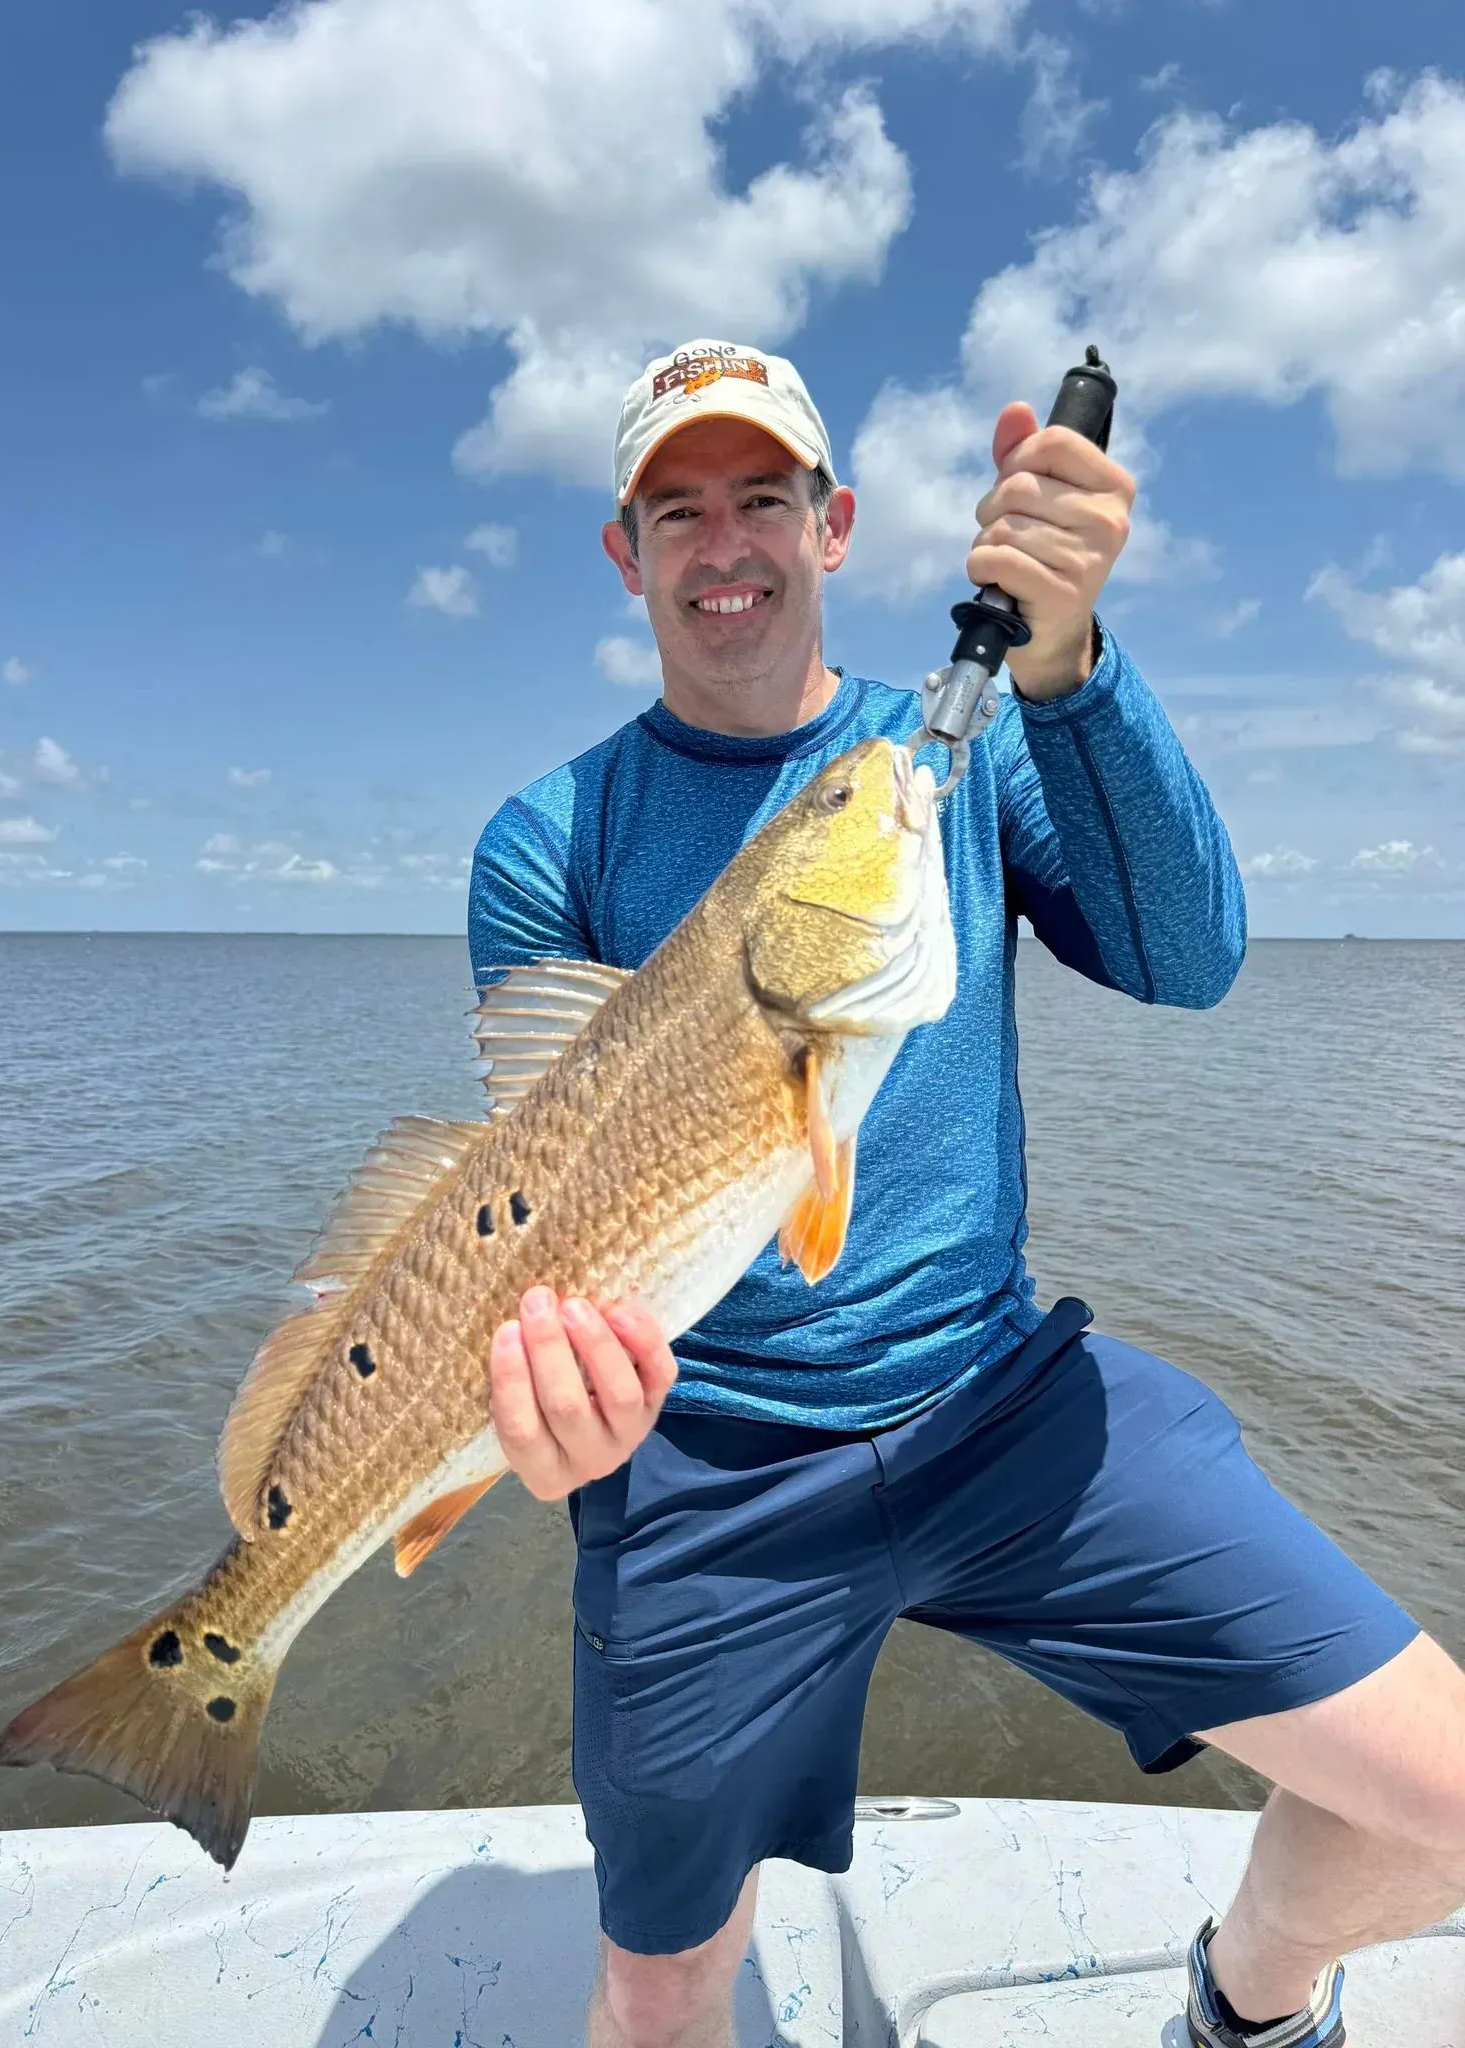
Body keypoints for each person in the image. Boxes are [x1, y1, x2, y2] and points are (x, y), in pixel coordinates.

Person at [467, 339, 1465, 2048]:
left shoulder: (958, 760)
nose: (727, 545)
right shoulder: (547, 839)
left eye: (763, 498)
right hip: (704, 1459)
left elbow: (1187, 955)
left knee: (1442, 1793)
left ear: (833, 525)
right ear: (626, 553)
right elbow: (532, 1204)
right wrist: (537, 1401)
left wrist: (1069, 670)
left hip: (1002, 1400)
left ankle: (1250, 1998)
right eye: (677, 509)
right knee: (653, 1991)